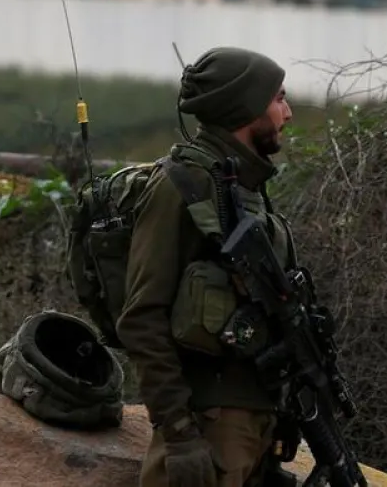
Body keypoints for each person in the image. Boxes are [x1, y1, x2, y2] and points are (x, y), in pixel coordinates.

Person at [117, 46, 299, 487]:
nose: (288, 112)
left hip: (253, 423)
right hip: (208, 426)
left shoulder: (245, 187)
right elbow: (142, 319)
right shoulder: (183, 186)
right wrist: (179, 434)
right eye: (278, 99)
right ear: (246, 108)